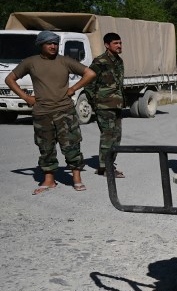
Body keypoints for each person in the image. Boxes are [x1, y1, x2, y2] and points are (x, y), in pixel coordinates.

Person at [4, 30, 96, 194]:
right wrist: (26, 98)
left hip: (64, 111)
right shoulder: (30, 62)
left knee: (71, 145)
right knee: (45, 147)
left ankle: (76, 178)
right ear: (41, 45)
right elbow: (9, 79)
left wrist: (73, 88)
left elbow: (90, 73)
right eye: (49, 43)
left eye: (55, 43)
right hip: (42, 112)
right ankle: (49, 179)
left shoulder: (65, 61)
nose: (53, 46)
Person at [84, 32, 125, 177]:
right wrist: (94, 102)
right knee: (108, 135)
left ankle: (105, 165)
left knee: (117, 136)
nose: (119, 46)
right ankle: (106, 168)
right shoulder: (99, 62)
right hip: (104, 105)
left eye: (120, 43)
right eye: (116, 43)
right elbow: (88, 83)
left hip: (117, 104)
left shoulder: (118, 61)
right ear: (107, 45)